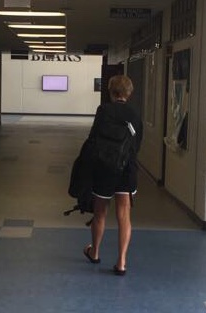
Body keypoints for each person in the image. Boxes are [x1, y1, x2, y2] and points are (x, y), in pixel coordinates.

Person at [83, 75, 143, 276]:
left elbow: (93, 138)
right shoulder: (135, 114)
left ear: (111, 92)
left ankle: (95, 252)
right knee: (124, 216)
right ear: (129, 93)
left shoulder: (104, 111)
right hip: (126, 170)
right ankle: (121, 262)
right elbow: (137, 144)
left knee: (100, 213)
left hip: (104, 169)